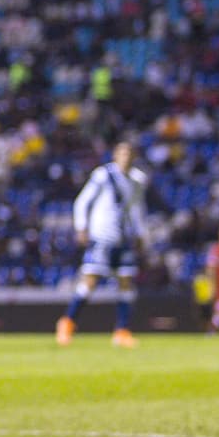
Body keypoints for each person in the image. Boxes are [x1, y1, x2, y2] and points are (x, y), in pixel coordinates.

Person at [56, 139, 148, 348]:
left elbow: (137, 208)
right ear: (115, 155)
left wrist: (141, 233)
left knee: (126, 281)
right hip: (102, 237)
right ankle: (67, 322)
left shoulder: (137, 180)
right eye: (122, 154)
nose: (126, 158)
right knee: (90, 282)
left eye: (130, 154)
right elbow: (82, 201)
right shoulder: (103, 175)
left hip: (123, 238)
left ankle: (122, 331)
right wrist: (81, 227)